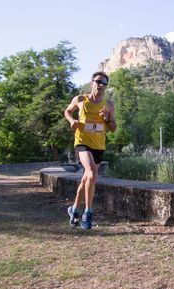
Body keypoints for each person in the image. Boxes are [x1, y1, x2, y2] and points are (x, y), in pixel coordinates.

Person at [64, 71, 116, 230]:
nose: (101, 85)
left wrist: (107, 118)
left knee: (87, 179)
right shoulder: (80, 99)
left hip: (98, 146)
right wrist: (72, 120)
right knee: (92, 172)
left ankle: (73, 209)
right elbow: (67, 111)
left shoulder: (109, 105)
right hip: (82, 143)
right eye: (98, 81)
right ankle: (88, 213)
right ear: (91, 82)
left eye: (104, 83)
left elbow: (113, 129)